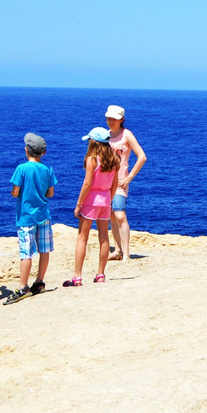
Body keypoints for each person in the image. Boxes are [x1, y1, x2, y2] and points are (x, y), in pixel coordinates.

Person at [7, 133, 57, 305]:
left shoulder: (22, 169)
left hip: (26, 217)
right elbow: (50, 193)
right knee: (44, 250)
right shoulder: (48, 169)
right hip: (43, 215)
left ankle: (23, 286)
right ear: (44, 153)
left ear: (26, 150)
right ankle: (39, 282)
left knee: (26, 252)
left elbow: (15, 192)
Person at [66, 128, 118, 287]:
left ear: (93, 142)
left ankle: (77, 276)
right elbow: (114, 185)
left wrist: (79, 204)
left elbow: (87, 183)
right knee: (104, 237)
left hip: (91, 200)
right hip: (105, 200)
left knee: (82, 237)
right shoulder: (115, 159)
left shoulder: (92, 159)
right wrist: (109, 199)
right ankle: (100, 274)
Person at [105, 104, 146, 262]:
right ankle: (117, 250)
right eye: (108, 118)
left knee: (120, 215)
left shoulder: (126, 134)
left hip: (120, 182)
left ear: (121, 119)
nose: (110, 121)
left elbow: (141, 156)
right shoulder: (105, 135)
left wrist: (129, 178)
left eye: (113, 119)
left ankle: (126, 253)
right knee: (111, 216)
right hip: (106, 182)